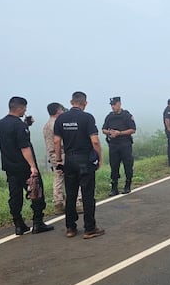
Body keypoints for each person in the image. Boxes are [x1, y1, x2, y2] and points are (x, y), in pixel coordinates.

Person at [0, 96, 54, 235]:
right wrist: (32, 166)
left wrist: (25, 126)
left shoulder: (0, 124)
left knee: (15, 195)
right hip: (24, 166)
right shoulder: (19, 125)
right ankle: (38, 222)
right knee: (36, 192)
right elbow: (24, 146)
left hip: (9, 166)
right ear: (20, 108)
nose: (25, 111)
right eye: (24, 108)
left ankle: (19, 224)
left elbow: (12, 137)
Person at [53, 91, 105, 239]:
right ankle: (90, 228)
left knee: (71, 195)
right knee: (88, 194)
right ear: (85, 103)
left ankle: (70, 228)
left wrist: (58, 160)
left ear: (71, 102)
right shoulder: (87, 118)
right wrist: (99, 158)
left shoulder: (61, 118)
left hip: (69, 160)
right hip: (85, 160)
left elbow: (57, 141)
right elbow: (94, 141)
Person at [43, 102, 83, 215]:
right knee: (74, 178)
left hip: (52, 155)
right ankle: (78, 203)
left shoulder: (46, 125)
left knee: (58, 179)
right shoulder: (58, 123)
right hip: (62, 154)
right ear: (58, 110)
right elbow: (58, 141)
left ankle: (58, 203)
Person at [102, 96, 136, 196]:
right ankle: (114, 187)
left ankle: (127, 185)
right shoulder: (109, 116)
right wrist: (109, 132)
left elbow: (133, 129)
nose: (113, 107)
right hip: (113, 145)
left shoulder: (126, 115)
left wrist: (119, 133)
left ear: (119, 104)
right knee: (114, 166)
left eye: (114, 105)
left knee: (128, 165)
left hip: (125, 144)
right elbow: (103, 129)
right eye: (111, 105)